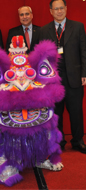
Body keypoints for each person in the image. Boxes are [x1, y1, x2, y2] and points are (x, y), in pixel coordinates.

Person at [39, 0, 86, 153]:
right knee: (56, 112)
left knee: (76, 111)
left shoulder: (78, 27)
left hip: (74, 77)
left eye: (61, 8)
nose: (59, 11)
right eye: (56, 9)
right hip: (54, 80)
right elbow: (40, 56)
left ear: (66, 8)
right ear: (50, 11)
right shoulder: (44, 30)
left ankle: (78, 141)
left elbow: (83, 52)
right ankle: (58, 142)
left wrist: (84, 73)